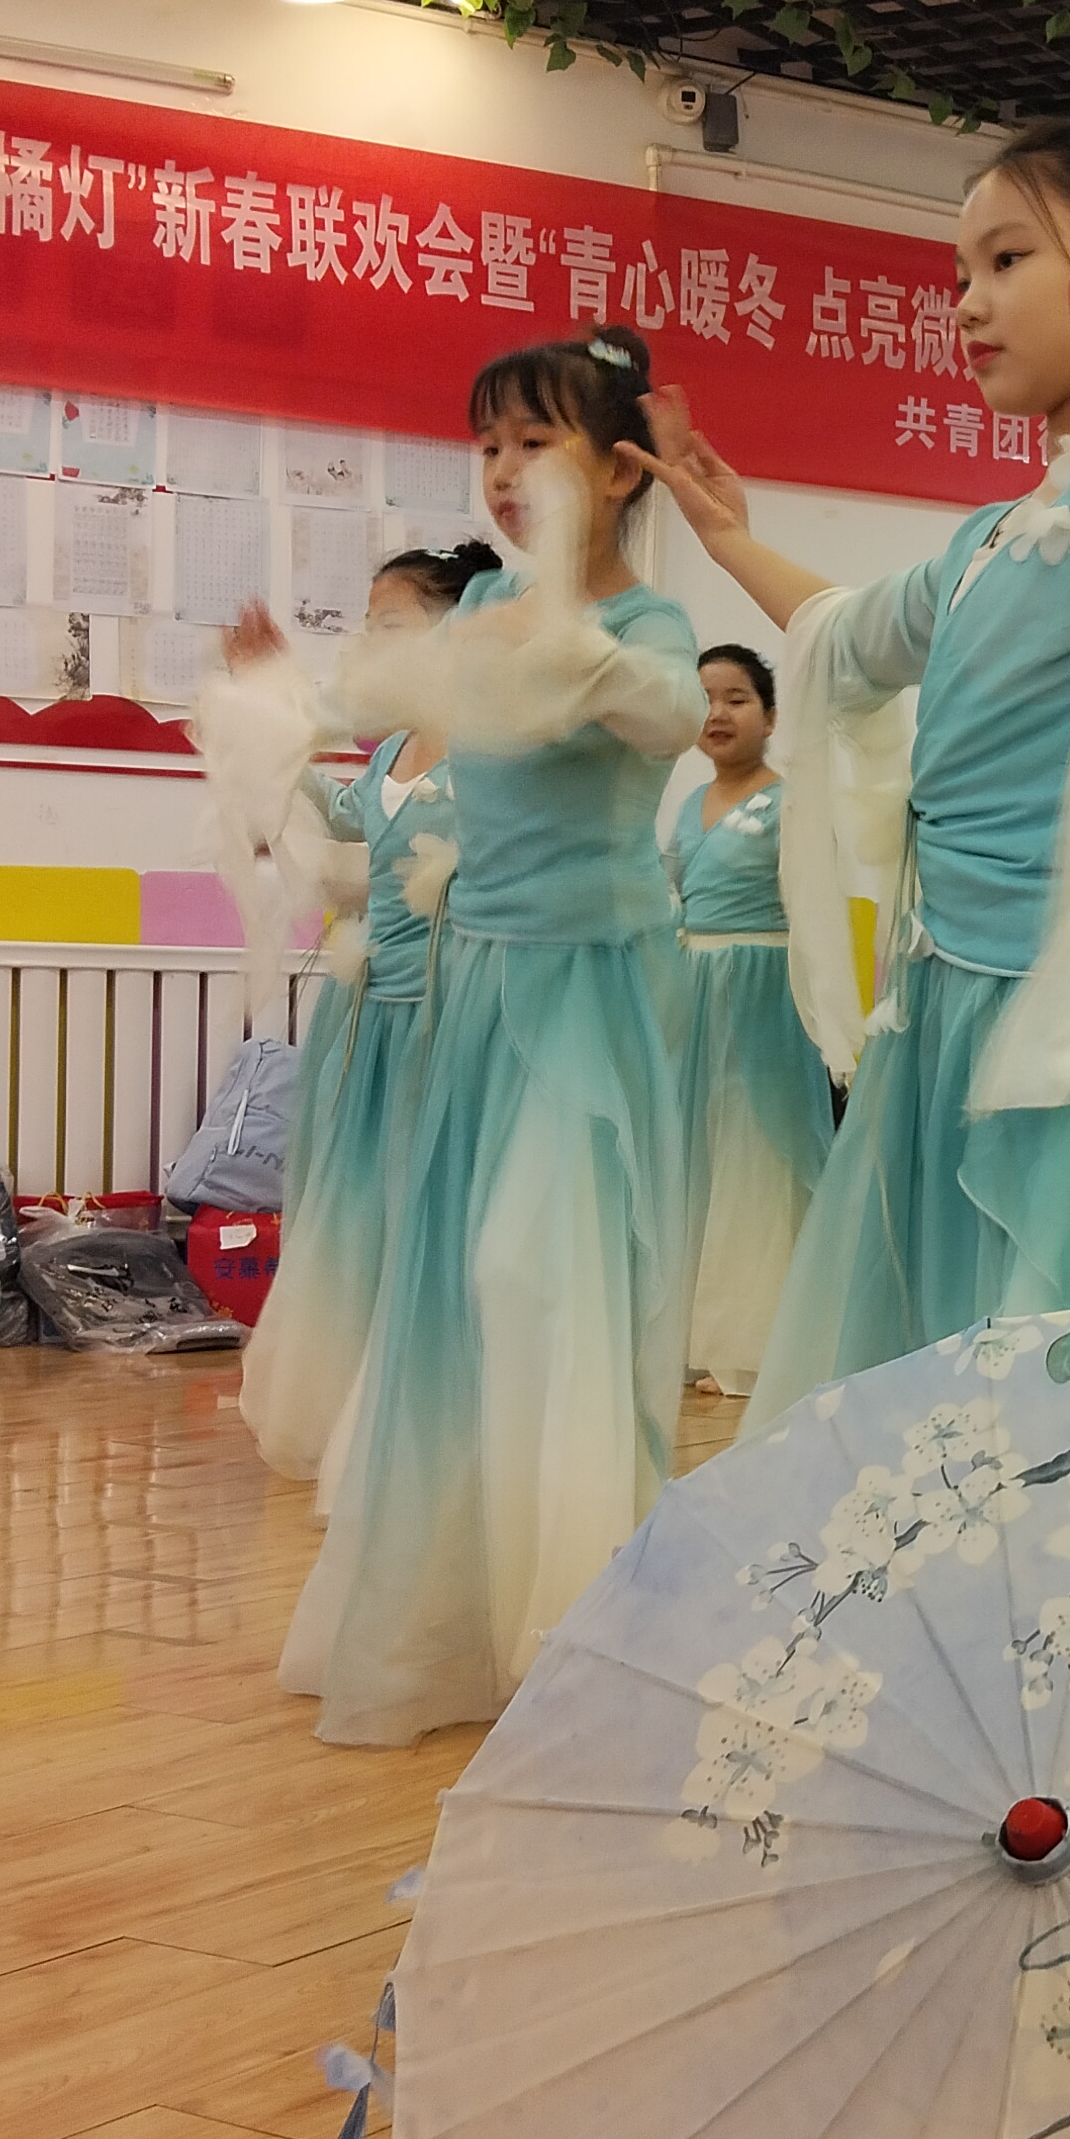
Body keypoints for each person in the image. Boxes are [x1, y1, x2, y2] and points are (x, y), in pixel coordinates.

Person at [629, 116, 1070, 1419]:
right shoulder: (984, 539)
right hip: (948, 992)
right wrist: (728, 540)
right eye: (960, 274)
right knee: (947, 1351)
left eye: (1005, 261)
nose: (968, 305)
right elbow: (845, 637)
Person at [270, 325, 708, 1743]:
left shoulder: (644, 622)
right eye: (489, 446)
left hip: (593, 989)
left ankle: (575, 1619)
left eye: (536, 442)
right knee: (463, 1292)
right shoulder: (484, 613)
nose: (506, 470)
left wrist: (575, 640)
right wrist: (278, 705)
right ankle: (453, 1612)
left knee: (551, 1278)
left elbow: (669, 716)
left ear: (619, 469)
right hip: (479, 988)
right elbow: (376, 709)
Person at [230, 542, 497, 1482]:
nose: (373, 641)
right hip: (370, 1012)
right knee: (360, 1208)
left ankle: (435, 1408)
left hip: (452, 1007)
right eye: (370, 624)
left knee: (439, 1207)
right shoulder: (392, 747)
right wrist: (269, 708)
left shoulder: (499, 746)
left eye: (393, 623)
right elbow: (343, 813)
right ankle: (359, 1397)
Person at [664, 641, 831, 1397]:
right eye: (704, 698)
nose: (718, 712)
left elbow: (820, 904)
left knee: (757, 1163)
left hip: (764, 991)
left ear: (770, 715)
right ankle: (694, 1338)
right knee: (696, 1159)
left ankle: (754, 1344)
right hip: (692, 992)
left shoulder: (791, 801)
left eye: (736, 698)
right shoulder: (687, 807)